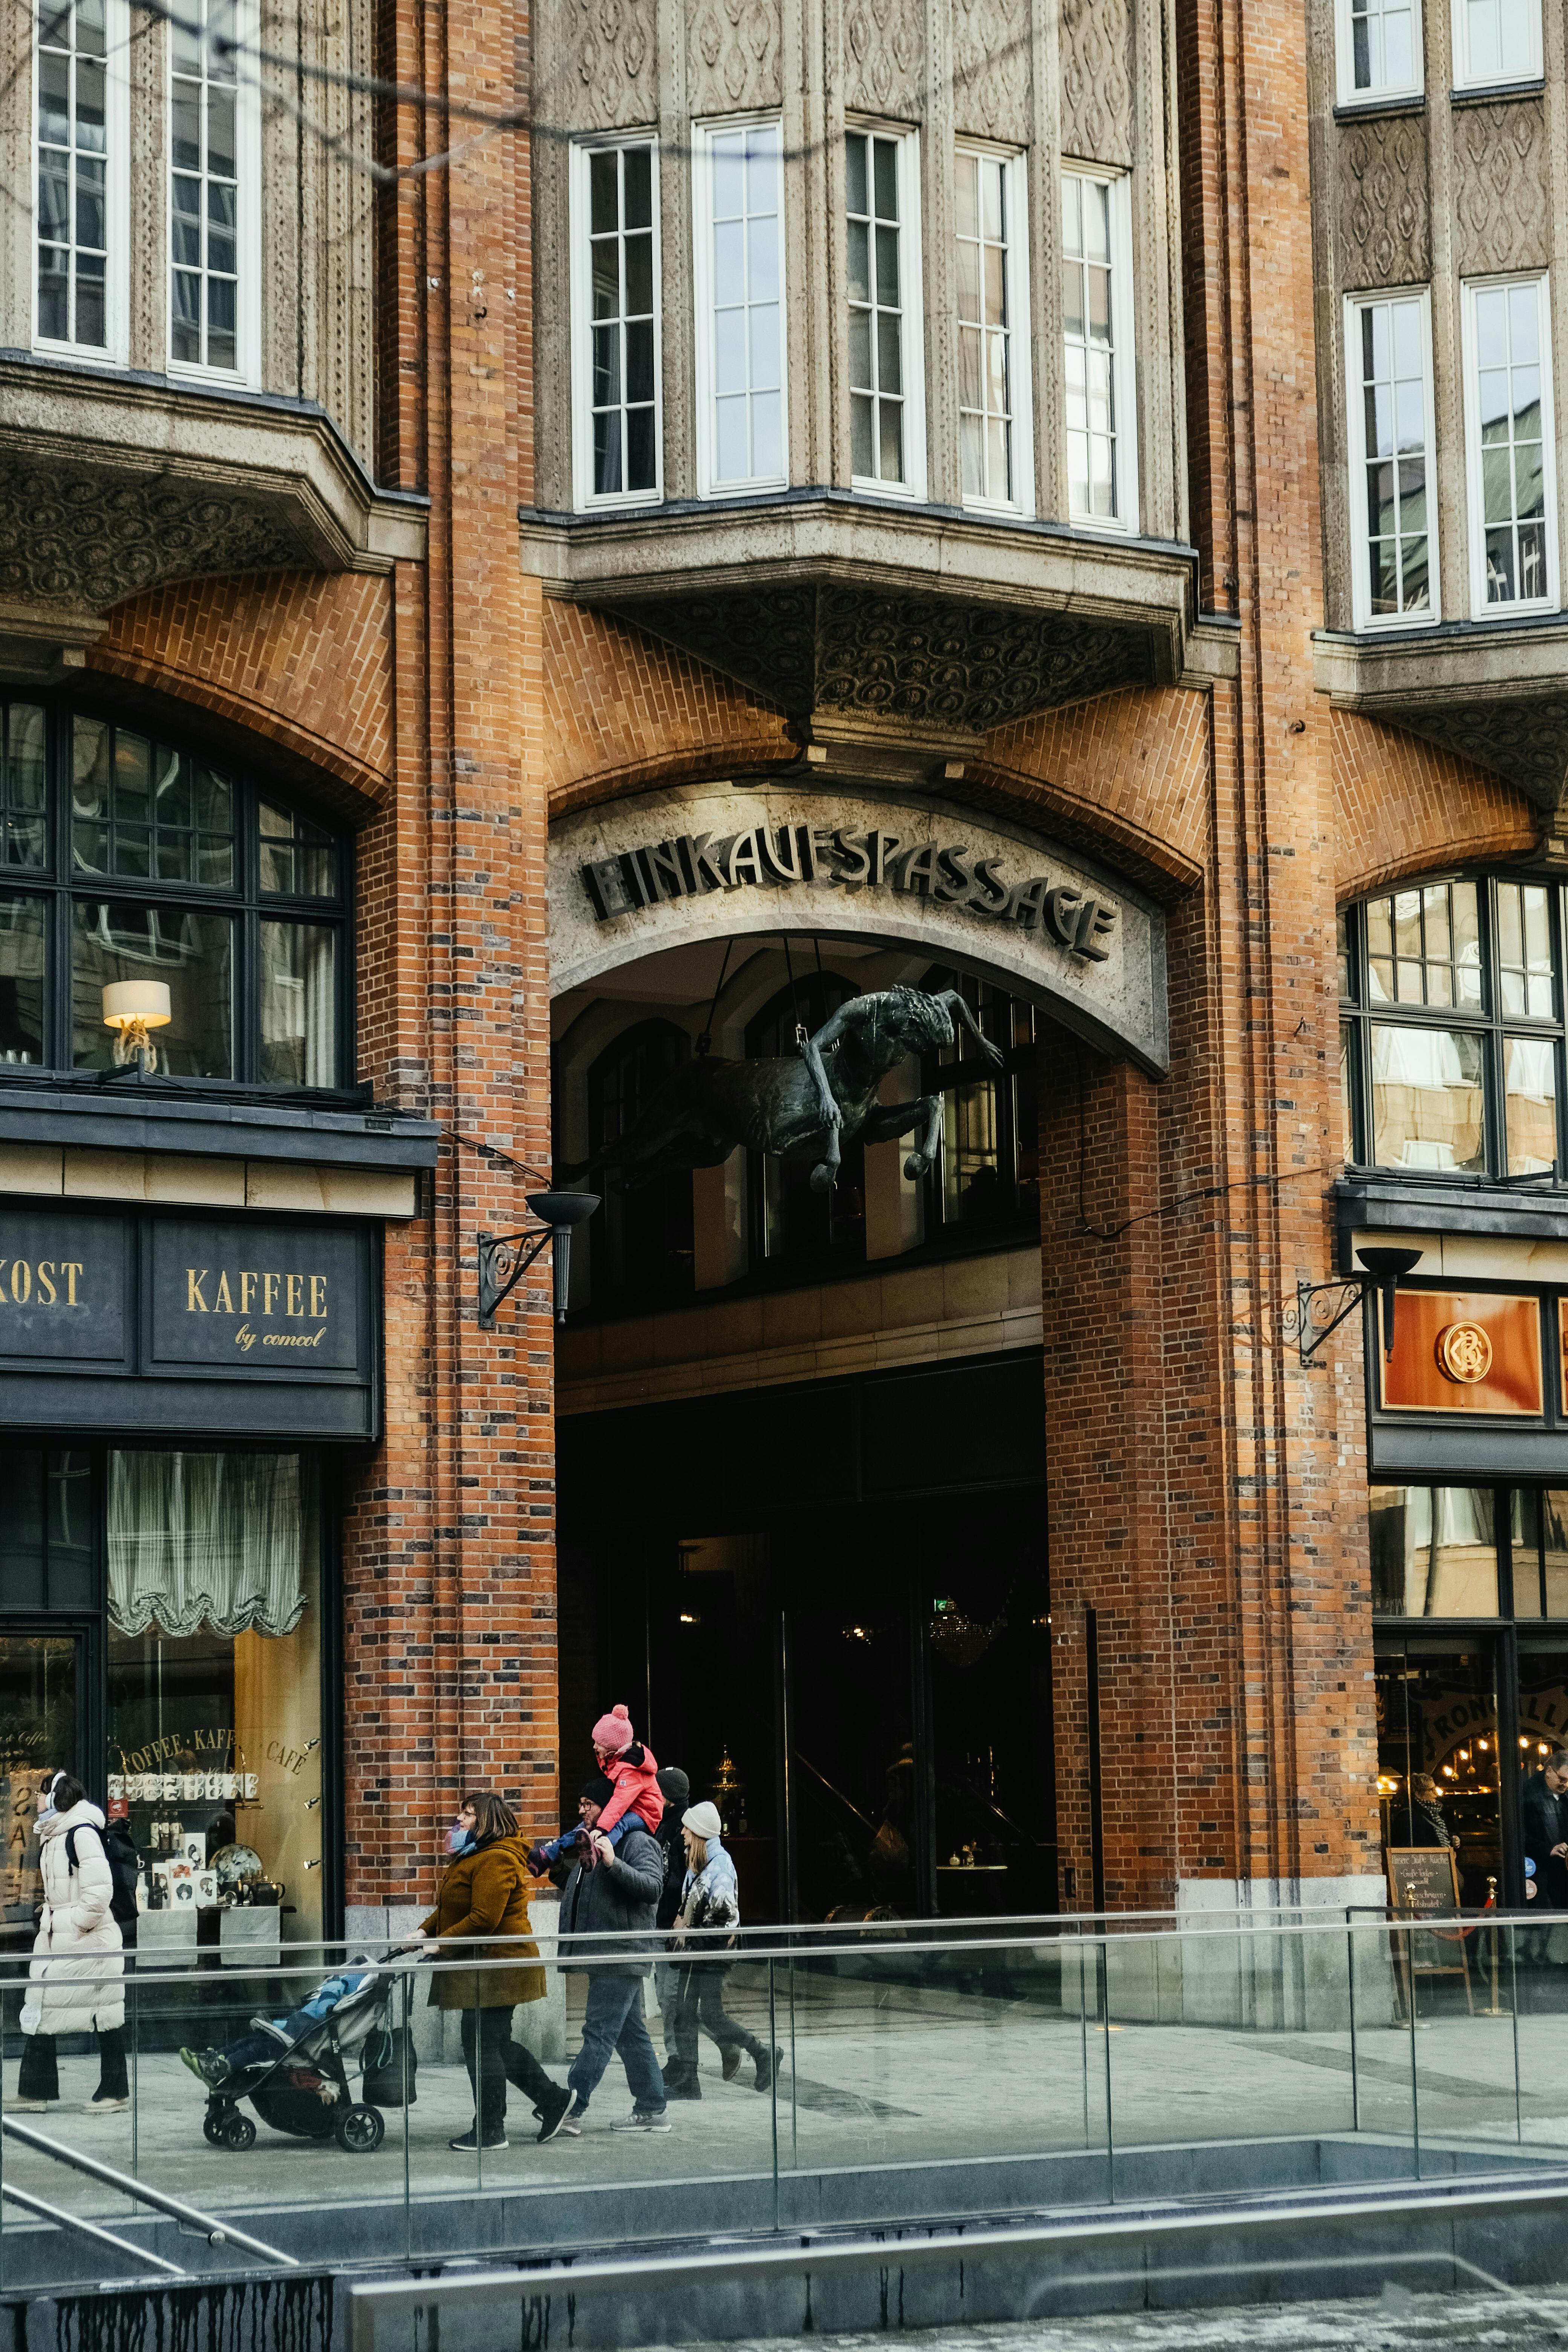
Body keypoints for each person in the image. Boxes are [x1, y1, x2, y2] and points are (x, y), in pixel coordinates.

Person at [414, 1790, 573, 2151]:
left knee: (482, 2043)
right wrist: (424, 1931)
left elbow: (485, 1918)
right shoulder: (475, 1856)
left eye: (468, 1815)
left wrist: (443, 1943)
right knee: (493, 2043)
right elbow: (454, 1907)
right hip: (487, 1967)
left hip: (500, 1967)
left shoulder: (496, 1859)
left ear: (485, 1821)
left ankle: (490, 2130)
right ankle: (552, 2101)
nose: (460, 1820)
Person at [552, 1773, 668, 2132]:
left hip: (622, 1953)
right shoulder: (595, 1842)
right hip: (607, 1953)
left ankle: (571, 2107)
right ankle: (652, 2108)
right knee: (629, 2033)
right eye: (581, 1806)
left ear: (609, 1807)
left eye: (590, 1805)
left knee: (598, 2032)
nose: (584, 1811)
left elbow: (652, 1888)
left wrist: (614, 1863)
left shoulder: (637, 1841)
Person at [13, 1772, 127, 2115]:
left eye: (40, 1793)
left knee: (104, 2015)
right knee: (43, 2006)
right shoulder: (56, 1833)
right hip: (61, 1936)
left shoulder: (81, 1832)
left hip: (87, 1940)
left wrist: (73, 1922)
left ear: (54, 1797)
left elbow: (99, 1891)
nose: (35, 1799)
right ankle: (34, 2092)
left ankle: (115, 2092)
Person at [662, 1801, 778, 2098]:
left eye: (688, 1828)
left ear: (700, 1832)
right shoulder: (700, 1864)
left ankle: (760, 2053)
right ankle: (758, 2054)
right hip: (700, 1953)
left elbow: (724, 1920)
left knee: (697, 2014)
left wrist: (687, 1939)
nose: (684, 1833)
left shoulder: (720, 1868)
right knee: (691, 2013)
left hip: (708, 1954)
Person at [180, 1962, 379, 2084]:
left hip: (301, 2042)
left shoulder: (337, 1991)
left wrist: (331, 1990)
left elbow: (328, 1999)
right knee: (252, 2042)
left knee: (255, 2049)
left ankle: (219, 2068)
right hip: (298, 2033)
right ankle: (215, 2059)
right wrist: (277, 2026)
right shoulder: (331, 2001)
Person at [527, 1704, 663, 1876]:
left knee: (620, 1824)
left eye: (599, 1743)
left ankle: (598, 1851)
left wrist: (603, 1828)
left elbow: (620, 1802)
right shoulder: (615, 1759)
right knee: (584, 1827)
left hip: (645, 1813)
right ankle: (547, 1855)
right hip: (629, 1807)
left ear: (612, 1746)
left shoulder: (631, 1769)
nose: (595, 1747)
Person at [651, 1764, 690, 2029]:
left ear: (668, 1796)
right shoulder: (660, 1825)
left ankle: (680, 2060)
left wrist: (683, 1918)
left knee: (673, 1997)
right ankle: (676, 2058)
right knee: (665, 1998)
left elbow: (689, 1881)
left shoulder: (686, 1830)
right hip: (659, 1924)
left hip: (676, 1926)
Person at [1523, 1750, 1568, 1910]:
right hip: (1536, 1869)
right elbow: (1519, 1836)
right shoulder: (1528, 1793)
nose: (1566, 1785)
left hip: (1562, 1871)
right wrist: (1549, 1849)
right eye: (1562, 1779)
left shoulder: (1564, 1794)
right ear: (1549, 1772)